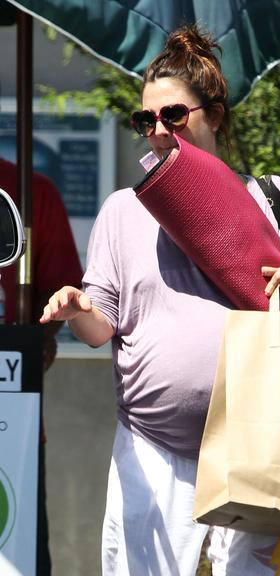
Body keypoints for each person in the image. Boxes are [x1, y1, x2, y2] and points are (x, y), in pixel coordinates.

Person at [40, 25, 280, 576]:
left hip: (261, 447)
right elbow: (102, 327)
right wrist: (79, 310)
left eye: (173, 115)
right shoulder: (124, 211)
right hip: (152, 451)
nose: (157, 131)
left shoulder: (274, 200)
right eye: (144, 120)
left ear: (215, 116)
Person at [0, 156, 83, 575]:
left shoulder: (30, 191)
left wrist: (34, 342)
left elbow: (59, 294)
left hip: (11, 429)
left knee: (19, 554)